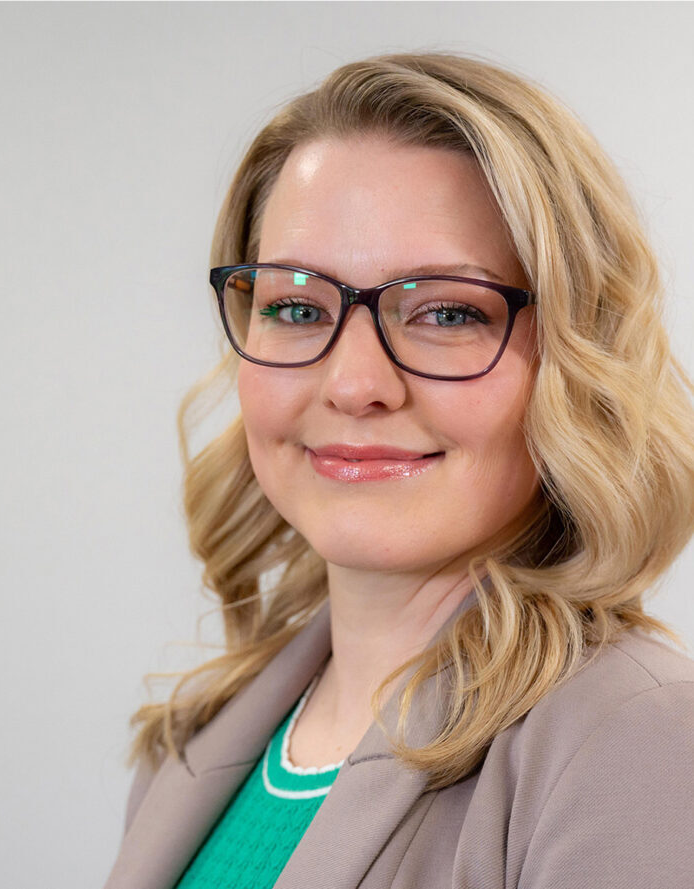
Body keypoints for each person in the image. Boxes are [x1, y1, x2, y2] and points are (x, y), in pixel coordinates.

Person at [105, 53, 694, 888]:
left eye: (447, 311)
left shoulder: (635, 740)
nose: (354, 384)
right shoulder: (191, 745)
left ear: (575, 356)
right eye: (297, 306)